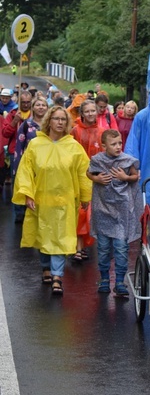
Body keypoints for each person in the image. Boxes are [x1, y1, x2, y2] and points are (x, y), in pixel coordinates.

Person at [12, 106, 92, 295]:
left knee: (61, 237)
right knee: (44, 236)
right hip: (42, 199)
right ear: (49, 121)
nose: (60, 122)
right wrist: (28, 194)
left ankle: (57, 276)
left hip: (65, 200)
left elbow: (84, 172)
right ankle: (45, 267)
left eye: (63, 119)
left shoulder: (73, 146)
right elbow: (26, 171)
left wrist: (86, 196)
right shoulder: (36, 145)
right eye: (56, 119)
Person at [87, 129, 142, 295]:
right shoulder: (97, 160)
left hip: (121, 211)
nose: (118, 147)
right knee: (103, 248)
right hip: (102, 209)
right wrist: (96, 179)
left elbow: (135, 176)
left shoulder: (127, 160)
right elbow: (88, 172)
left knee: (121, 247)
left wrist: (126, 178)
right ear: (104, 146)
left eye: (120, 143)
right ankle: (104, 279)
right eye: (114, 144)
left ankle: (119, 281)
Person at [70, 99, 104, 261]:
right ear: (82, 114)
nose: (90, 114)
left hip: (96, 178)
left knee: (91, 214)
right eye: (87, 111)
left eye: (93, 111)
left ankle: (83, 245)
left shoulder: (102, 131)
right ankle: (78, 246)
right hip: (78, 177)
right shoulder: (75, 131)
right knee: (80, 212)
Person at [2, 91, 33, 222]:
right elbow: (5, 133)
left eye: (28, 102)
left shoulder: (36, 114)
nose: (25, 105)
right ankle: (19, 212)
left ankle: (31, 210)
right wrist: (14, 121)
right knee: (17, 182)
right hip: (16, 153)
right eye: (23, 102)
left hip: (33, 153)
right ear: (18, 102)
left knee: (32, 181)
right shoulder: (12, 115)